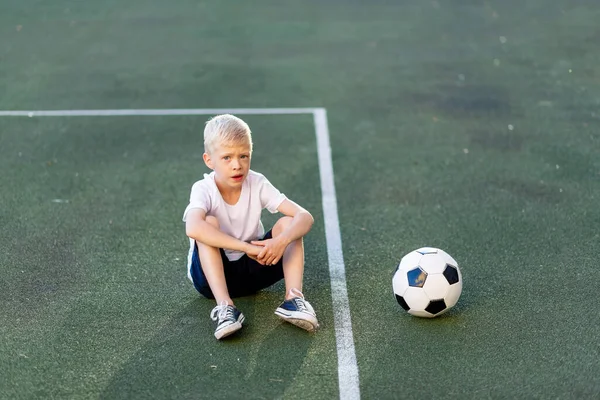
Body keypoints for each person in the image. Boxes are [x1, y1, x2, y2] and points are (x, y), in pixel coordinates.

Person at [183, 114, 319, 340]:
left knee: (288, 223)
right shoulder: (203, 189)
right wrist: (247, 248)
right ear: (209, 160)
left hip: (255, 267)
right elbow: (193, 228)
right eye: (226, 158)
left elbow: (305, 216)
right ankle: (226, 307)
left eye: (243, 156)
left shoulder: (257, 182)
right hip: (211, 277)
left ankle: (294, 299)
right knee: (208, 223)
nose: (237, 165)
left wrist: (279, 242)